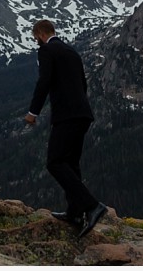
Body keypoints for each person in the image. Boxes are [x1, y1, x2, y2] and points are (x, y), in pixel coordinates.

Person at [25, 19, 108, 238]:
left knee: (54, 162)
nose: (37, 42)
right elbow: (83, 84)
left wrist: (33, 112)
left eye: (36, 38)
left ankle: (92, 206)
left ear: (41, 34)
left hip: (66, 116)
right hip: (82, 113)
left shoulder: (47, 51)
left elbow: (43, 82)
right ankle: (74, 212)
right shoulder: (72, 52)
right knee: (71, 163)